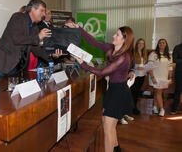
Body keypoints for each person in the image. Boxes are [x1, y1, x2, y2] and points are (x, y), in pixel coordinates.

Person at [71, 23, 134, 152]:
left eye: (117, 34)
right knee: (107, 124)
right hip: (112, 90)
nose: (113, 36)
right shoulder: (111, 48)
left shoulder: (124, 57)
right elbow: (93, 41)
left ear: (124, 39)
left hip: (119, 93)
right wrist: (79, 28)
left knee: (108, 130)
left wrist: (83, 64)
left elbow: (102, 72)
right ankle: (117, 150)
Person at [0, 0, 62, 77]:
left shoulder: (34, 27)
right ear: (33, 9)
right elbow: (17, 39)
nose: (44, 14)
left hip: (16, 67)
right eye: (42, 11)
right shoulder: (18, 17)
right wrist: (38, 37)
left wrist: (51, 55)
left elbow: (36, 49)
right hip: (2, 64)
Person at [148, 39, 173, 117]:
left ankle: (155, 107)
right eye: (160, 43)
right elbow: (149, 67)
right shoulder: (153, 54)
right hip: (155, 77)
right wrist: (152, 77)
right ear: (158, 44)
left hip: (164, 77)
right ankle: (162, 109)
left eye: (163, 43)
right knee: (159, 92)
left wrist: (170, 78)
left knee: (157, 92)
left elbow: (170, 68)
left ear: (166, 44)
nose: (161, 44)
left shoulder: (169, 55)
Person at [130, 38, 148, 115]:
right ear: (136, 44)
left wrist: (146, 67)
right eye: (139, 43)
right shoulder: (133, 53)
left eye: (142, 43)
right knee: (133, 92)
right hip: (135, 75)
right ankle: (132, 108)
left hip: (142, 75)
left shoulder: (145, 53)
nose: (141, 45)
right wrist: (136, 67)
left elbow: (146, 64)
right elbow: (129, 65)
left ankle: (134, 107)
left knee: (137, 93)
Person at [171, 42, 182, 114]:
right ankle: (174, 109)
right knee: (178, 90)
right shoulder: (177, 47)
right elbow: (175, 59)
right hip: (180, 72)